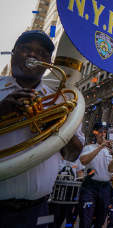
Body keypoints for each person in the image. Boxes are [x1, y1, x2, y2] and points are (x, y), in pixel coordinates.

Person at [0, 30, 83, 228]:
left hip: (38, 209)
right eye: (26, 49)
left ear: (49, 62)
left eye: (42, 53)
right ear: (13, 53)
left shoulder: (62, 100)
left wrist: (53, 125)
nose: (33, 55)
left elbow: (73, 154)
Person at [78, 122, 113, 228]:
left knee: (101, 218)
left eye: (105, 132)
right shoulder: (89, 147)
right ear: (95, 133)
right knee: (86, 218)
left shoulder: (111, 150)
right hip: (90, 187)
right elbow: (83, 161)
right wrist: (100, 147)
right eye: (100, 132)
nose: (103, 134)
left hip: (105, 187)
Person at [48, 156, 84, 228]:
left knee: (65, 214)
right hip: (55, 193)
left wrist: (81, 179)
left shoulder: (76, 158)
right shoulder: (56, 157)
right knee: (53, 215)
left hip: (70, 193)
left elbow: (79, 171)